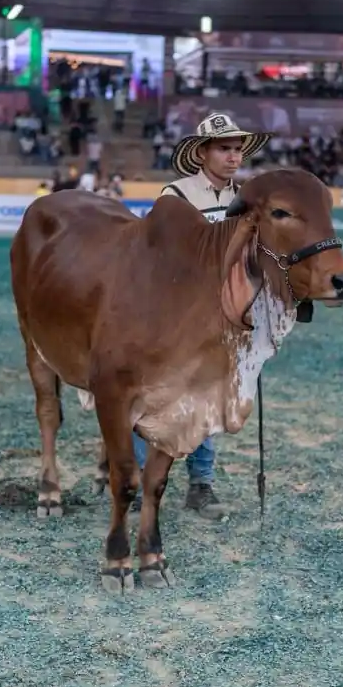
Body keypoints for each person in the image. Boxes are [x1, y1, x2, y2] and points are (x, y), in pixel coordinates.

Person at [132, 112, 272, 520]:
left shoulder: (246, 199)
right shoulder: (174, 195)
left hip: (225, 316)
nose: (234, 157)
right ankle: (140, 479)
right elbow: (154, 252)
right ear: (202, 153)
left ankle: (201, 483)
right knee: (153, 394)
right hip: (174, 313)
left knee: (209, 396)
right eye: (225, 148)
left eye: (238, 150)